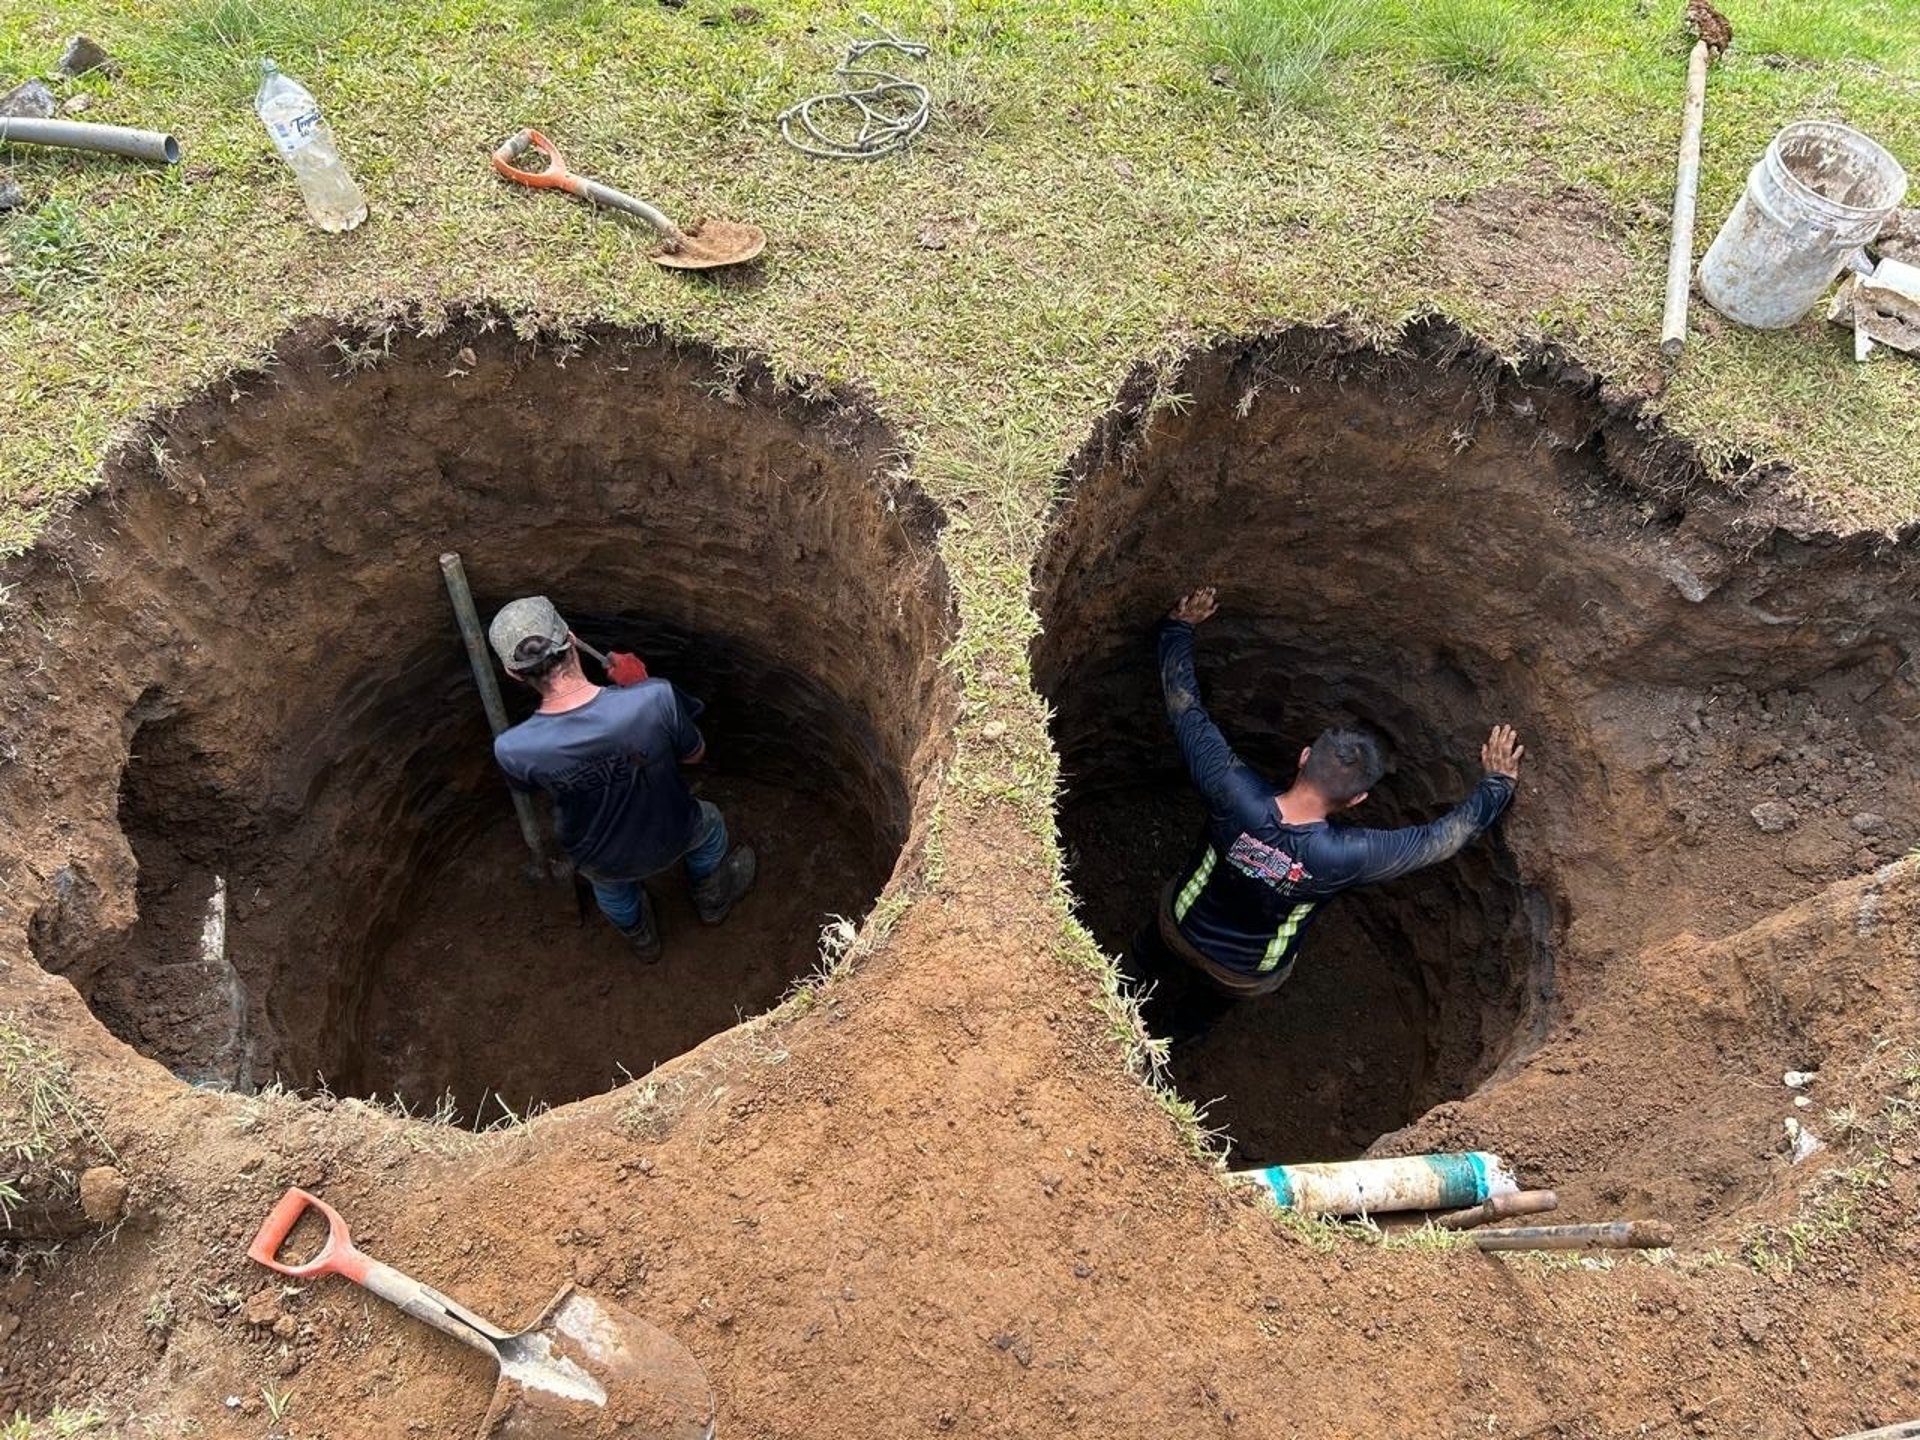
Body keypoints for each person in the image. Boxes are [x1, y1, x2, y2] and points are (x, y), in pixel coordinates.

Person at [1138, 585, 1523, 1036]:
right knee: (1202, 1010)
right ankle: (1173, 1039)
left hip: (1179, 927)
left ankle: (1125, 989)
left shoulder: (1232, 792)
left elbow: (1187, 713)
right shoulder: (1348, 856)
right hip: (1242, 974)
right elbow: (1442, 839)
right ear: (1358, 800)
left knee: (1148, 956)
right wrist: (1497, 783)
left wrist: (1178, 629)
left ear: (1303, 756)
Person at [487, 596, 756, 960]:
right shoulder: (653, 699)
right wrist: (640, 687)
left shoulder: (512, 748)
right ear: (572, 638)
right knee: (709, 827)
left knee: (611, 889)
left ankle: (643, 940)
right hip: (674, 830)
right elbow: (695, 754)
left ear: (514, 673)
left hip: (598, 855)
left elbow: (535, 786)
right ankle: (713, 902)